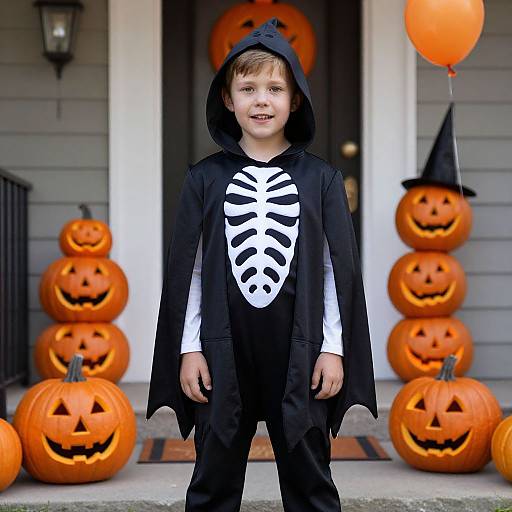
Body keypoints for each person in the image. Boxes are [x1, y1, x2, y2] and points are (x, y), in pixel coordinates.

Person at [146, 17, 378, 512]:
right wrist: (189, 348)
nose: (261, 100)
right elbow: (187, 270)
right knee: (213, 474)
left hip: (303, 349)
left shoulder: (322, 179)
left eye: (275, 87)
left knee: (310, 476)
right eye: (247, 88)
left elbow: (339, 272)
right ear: (228, 99)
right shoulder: (203, 179)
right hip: (220, 349)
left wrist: (334, 349)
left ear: (295, 99)